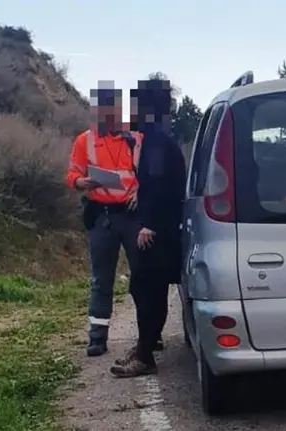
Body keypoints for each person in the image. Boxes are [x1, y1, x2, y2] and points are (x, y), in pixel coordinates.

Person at [111, 79, 186, 377]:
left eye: (135, 105)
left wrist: (149, 225)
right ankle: (145, 346)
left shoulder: (156, 141)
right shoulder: (159, 138)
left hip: (158, 231)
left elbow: (158, 185)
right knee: (147, 289)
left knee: (147, 290)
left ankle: (145, 355)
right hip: (164, 227)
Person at [66, 84, 144, 357]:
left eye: (113, 110)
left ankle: (149, 335)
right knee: (102, 279)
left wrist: (141, 191)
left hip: (132, 215)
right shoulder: (84, 141)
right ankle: (97, 338)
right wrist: (81, 182)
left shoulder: (136, 138)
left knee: (142, 276)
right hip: (102, 215)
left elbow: (150, 173)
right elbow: (72, 174)